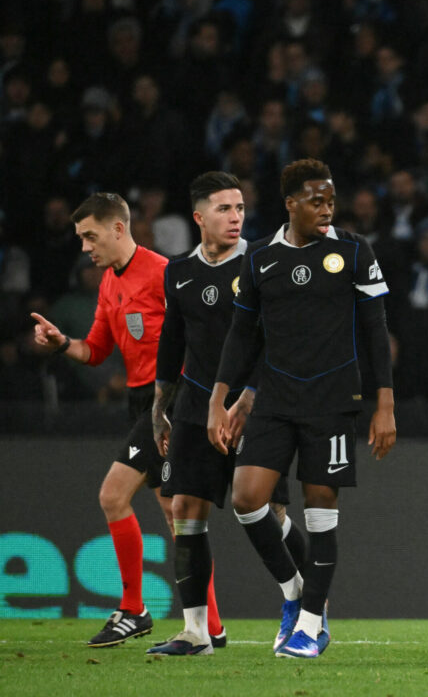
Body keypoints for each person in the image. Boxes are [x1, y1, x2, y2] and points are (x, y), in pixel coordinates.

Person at [208, 159, 396, 659]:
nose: (327, 210)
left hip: (333, 403)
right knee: (248, 500)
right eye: (317, 201)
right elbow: (241, 336)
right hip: (274, 400)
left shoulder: (353, 251)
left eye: (331, 201)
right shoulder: (260, 260)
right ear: (290, 203)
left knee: (321, 512)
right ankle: (295, 591)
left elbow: (376, 333)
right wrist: (218, 399)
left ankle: (312, 624)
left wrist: (385, 405)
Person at [30, 193, 200, 647]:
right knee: (177, 515)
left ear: (118, 229)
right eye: (82, 238)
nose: (85, 247)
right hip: (140, 400)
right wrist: (62, 342)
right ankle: (208, 626)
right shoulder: (109, 283)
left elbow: (201, 334)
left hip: (171, 397)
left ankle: (133, 609)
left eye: (90, 235)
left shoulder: (164, 273)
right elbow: (96, 351)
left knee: (112, 495)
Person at [147, 172, 307, 656]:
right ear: (199, 217)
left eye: (239, 207)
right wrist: (160, 407)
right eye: (223, 209)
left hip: (258, 405)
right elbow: (173, 340)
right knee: (184, 510)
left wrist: (250, 396)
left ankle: (305, 599)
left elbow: (277, 336)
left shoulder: (263, 259)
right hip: (195, 406)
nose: (236, 216)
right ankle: (196, 632)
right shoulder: (178, 272)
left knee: (267, 509)